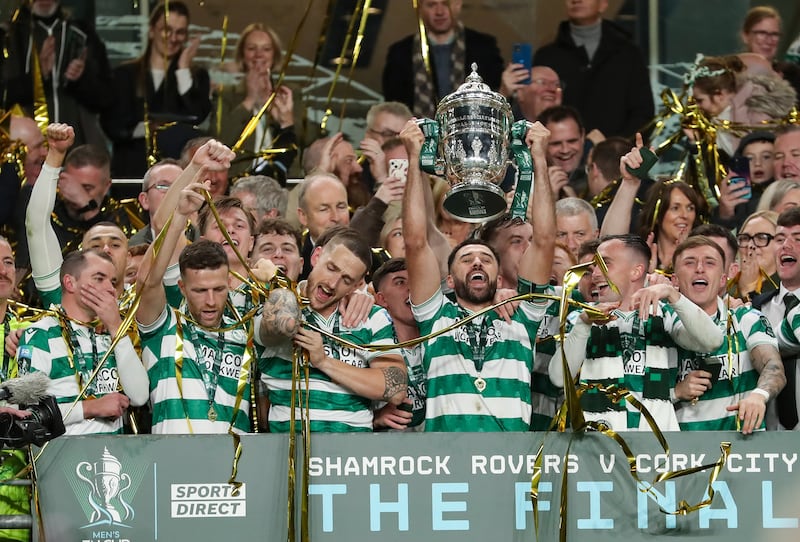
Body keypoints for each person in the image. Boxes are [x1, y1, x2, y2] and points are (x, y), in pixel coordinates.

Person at [400, 117, 556, 431]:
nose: (476, 263)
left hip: (511, 456)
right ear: (448, 280)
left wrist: (539, 159)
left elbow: (544, 239)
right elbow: (415, 242)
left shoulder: (523, 316)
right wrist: (415, 160)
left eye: (486, 259)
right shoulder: (435, 318)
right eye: (465, 259)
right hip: (446, 456)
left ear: (499, 278)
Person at [550, 234, 724, 432]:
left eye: (605, 264)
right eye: (594, 266)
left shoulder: (665, 314)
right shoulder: (580, 318)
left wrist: (673, 295)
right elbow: (558, 378)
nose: (595, 274)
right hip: (597, 443)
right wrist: (584, 324)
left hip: (656, 444)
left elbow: (713, 341)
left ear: (636, 271)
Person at [257, 228, 406, 432]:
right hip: (289, 447)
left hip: (354, 448)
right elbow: (281, 324)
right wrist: (277, 281)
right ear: (316, 256)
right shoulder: (273, 305)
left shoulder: (372, 317)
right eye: (331, 268)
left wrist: (324, 362)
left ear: (356, 286)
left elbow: (396, 389)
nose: (333, 283)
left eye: (347, 280)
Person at [17, 249, 149, 434]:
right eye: (99, 278)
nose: (110, 289)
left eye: (112, 282)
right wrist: (90, 408)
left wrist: (116, 327)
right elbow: (27, 414)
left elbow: (139, 396)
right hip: (64, 452)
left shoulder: (111, 334)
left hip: (113, 452)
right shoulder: (40, 335)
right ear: (70, 283)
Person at [671, 236, 784, 433]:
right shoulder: (662, 325)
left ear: (723, 279)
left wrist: (759, 395)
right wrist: (676, 392)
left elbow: (773, 367)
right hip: (683, 447)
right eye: (690, 262)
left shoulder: (747, 319)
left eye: (709, 263)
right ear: (674, 280)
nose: (699, 268)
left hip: (743, 445)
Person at [101, 1, 211, 178]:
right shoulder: (125, 75)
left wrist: (183, 69)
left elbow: (197, 115)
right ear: (152, 30)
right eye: (166, 30)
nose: (173, 38)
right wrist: (148, 128)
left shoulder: (197, 76)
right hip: (132, 168)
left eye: (180, 32)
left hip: (177, 172)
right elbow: (113, 124)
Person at [533, 0, 653, 138]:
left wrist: (614, 146)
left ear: (603, 4)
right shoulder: (547, 56)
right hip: (561, 147)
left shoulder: (628, 54)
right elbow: (535, 111)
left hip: (619, 148)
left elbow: (643, 112)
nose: (576, 0)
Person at [2, 0, 113, 147]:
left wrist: (80, 79)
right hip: (23, 148)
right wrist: (38, 75)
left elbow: (106, 97)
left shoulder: (84, 33)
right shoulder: (8, 36)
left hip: (76, 147)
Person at [382, 0, 503, 117]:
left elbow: (497, 99)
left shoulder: (484, 47)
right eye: (431, 5)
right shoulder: (400, 53)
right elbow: (393, 108)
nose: (439, 12)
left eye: (446, 3)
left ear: (458, 4)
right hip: (415, 129)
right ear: (420, 8)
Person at [212, 23, 297, 183]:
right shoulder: (226, 94)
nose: (259, 55)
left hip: (279, 182)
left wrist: (286, 120)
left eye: (266, 49)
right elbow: (220, 140)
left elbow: (304, 143)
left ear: (275, 55)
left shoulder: (289, 94)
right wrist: (250, 100)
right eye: (252, 48)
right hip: (238, 182)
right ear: (242, 55)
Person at [689, 55, 795, 157]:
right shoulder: (713, 122)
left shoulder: (757, 113)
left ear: (719, 95)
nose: (697, 106)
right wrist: (695, 141)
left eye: (700, 100)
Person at [752, 207, 800, 431]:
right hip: (768, 441)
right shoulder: (755, 309)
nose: (786, 245)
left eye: (798, 238)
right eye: (779, 239)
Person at [372, 258, 426, 431]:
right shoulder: (369, 347)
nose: (411, 288)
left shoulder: (441, 339)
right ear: (382, 299)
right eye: (400, 282)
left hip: (443, 444)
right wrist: (374, 418)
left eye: (415, 281)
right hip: (387, 445)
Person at [713, 131, 776, 230]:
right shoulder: (735, 199)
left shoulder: (786, 192)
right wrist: (725, 215)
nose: (757, 163)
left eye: (766, 157)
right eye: (750, 158)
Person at [129, 158, 184, 246]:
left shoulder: (201, 238)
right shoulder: (135, 246)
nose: (172, 193)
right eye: (163, 186)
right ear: (145, 200)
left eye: (179, 186)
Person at [538, 105, 590, 199]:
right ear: (542, 144)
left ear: (582, 136)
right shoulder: (526, 182)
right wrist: (547, 197)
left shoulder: (600, 175)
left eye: (572, 141)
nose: (565, 150)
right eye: (556, 143)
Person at [729, 210, 778, 301]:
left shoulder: (791, 288)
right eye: (745, 238)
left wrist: (748, 290)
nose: (750, 245)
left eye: (761, 237)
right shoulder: (725, 289)